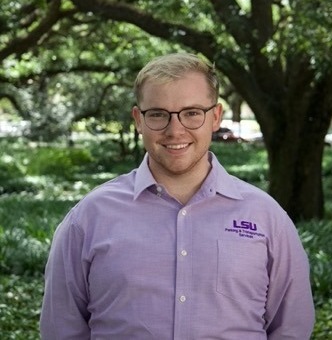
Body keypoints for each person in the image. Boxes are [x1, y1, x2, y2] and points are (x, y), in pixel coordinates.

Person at [40, 52, 315, 339]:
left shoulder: (266, 217)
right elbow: (61, 328)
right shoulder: (89, 217)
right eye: (158, 114)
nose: (175, 130)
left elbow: (291, 328)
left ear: (216, 117)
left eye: (192, 113)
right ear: (138, 119)